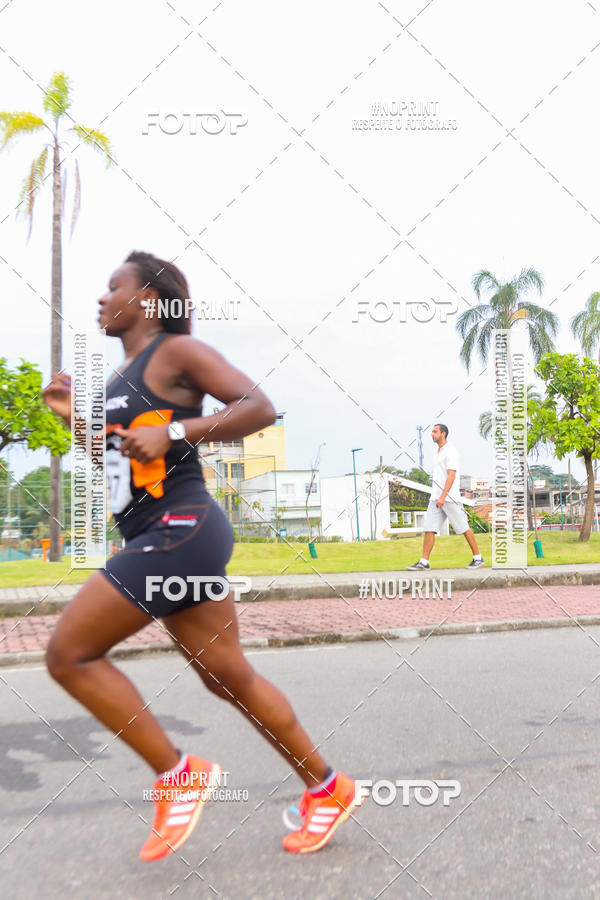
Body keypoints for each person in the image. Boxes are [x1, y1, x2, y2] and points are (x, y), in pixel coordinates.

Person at [42, 250, 359, 861]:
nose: (101, 299)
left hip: (181, 530)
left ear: (151, 302)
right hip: (158, 537)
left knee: (69, 655)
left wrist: (179, 431)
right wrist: (77, 420)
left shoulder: (176, 354)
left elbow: (260, 407)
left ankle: (177, 774)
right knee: (228, 677)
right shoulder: (119, 380)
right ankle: (327, 787)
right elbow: (127, 459)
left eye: (114, 287)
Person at [407, 423, 484, 570]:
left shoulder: (451, 451)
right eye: (432, 431)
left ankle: (478, 558)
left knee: (463, 527)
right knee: (429, 528)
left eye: (435, 431)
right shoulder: (437, 453)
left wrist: (443, 496)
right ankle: (424, 561)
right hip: (435, 498)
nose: (432, 434)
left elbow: (452, 475)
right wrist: (437, 496)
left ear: (443, 433)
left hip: (449, 498)